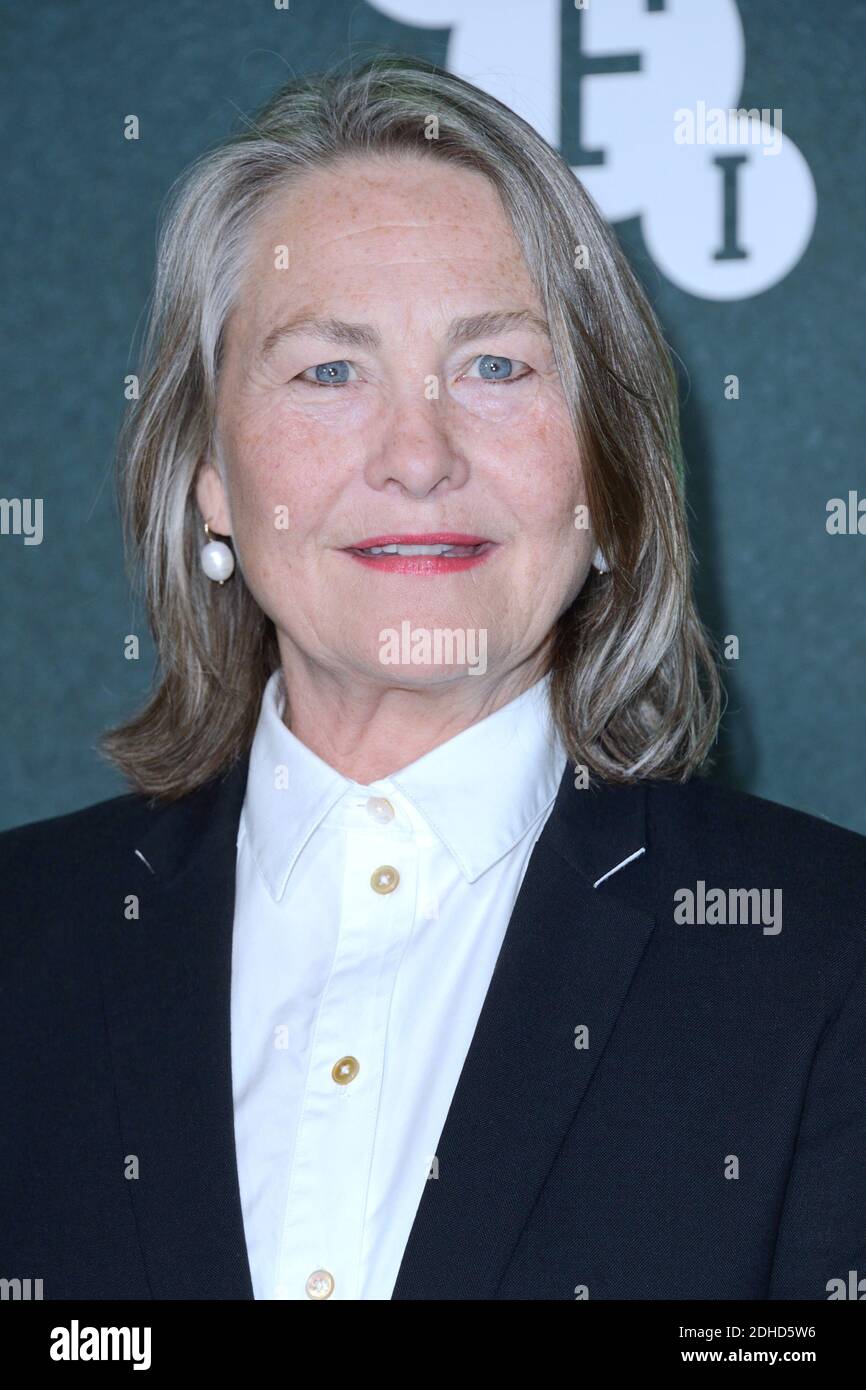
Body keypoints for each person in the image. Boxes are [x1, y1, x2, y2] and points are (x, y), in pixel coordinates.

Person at [1, 54, 864, 1302]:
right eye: (329, 370)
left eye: (497, 367)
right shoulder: (26, 951)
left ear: (611, 472)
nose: (418, 455)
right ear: (207, 476)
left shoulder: (827, 965)